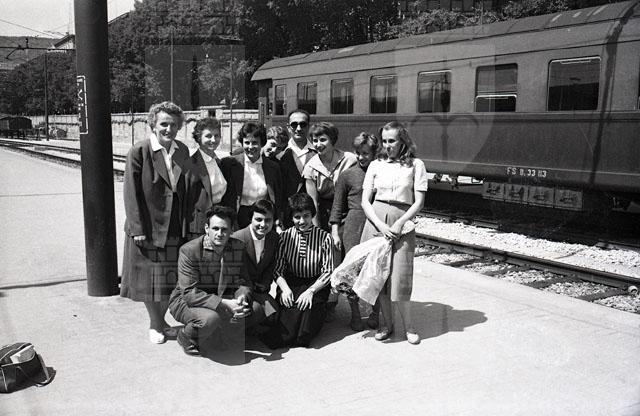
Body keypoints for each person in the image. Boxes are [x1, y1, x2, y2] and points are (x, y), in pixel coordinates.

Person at [120, 101, 190, 344]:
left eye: (174, 125)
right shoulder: (139, 151)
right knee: (150, 279)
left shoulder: (182, 150)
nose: (169, 129)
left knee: (169, 278)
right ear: (153, 125)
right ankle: (155, 323)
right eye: (164, 124)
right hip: (148, 226)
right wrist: (137, 228)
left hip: (173, 224)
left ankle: (162, 322)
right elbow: (131, 192)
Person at [360, 121, 428, 345]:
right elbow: (365, 201)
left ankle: (409, 327)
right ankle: (387, 325)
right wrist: (380, 225)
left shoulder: (416, 165)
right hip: (377, 221)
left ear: (403, 141)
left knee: (401, 278)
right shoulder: (375, 165)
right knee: (379, 278)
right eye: (384, 141)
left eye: (392, 141)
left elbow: (418, 202)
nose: (387, 145)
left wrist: (400, 223)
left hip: (403, 223)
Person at [169, 206, 261, 356]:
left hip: (223, 296)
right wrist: (224, 303)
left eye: (224, 229)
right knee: (210, 319)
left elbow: (243, 281)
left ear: (232, 230)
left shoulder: (238, 247)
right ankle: (186, 336)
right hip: (187, 300)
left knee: (255, 309)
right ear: (207, 228)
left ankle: (219, 334)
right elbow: (190, 294)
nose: (219, 233)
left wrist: (241, 298)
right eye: (215, 228)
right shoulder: (189, 250)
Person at [260, 193, 334, 348]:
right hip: (291, 282)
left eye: (306, 216)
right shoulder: (284, 237)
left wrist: (311, 291)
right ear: (292, 218)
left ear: (312, 215)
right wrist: (285, 289)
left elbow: (328, 271)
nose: (302, 221)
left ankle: (318, 313)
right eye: (297, 217)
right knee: (286, 322)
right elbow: (278, 269)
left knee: (305, 324)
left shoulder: (325, 237)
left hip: (316, 284)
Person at [328, 132, 381, 331]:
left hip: (376, 225)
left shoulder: (382, 172)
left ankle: (375, 313)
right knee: (353, 271)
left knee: (376, 270)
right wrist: (335, 232)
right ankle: (355, 314)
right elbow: (337, 207)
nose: (360, 157)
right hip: (353, 225)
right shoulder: (347, 175)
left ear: (374, 153)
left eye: (365, 153)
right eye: (358, 152)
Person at [220, 122, 283, 229]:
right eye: (247, 142)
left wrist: (277, 220)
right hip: (237, 218)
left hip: (262, 218)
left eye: (254, 143)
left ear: (262, 143)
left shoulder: (273, 167)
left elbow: (278, 197)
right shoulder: (229, 164)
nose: (250, 147)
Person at [231, 199, 280, 326]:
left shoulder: (274, 238)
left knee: (273, 312)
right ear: (251, 219)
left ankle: (254, 330)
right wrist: (244, 291)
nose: (263, 224)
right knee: (253, 310)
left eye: (268, 220)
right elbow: (232, 274)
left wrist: (265, 283)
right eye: (258, 219)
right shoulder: (237, 238)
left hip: (259, 289)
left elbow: (271, 265)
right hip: (239, 289)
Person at [303, 122, 357, 231]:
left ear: (332, 140)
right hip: (325, 214)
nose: (318, 144)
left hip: (348, 211)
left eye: (323, 140)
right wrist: (317, 230)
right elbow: (313, 202)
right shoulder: (310, 167)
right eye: (315, 141)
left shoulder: (349, 159)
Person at [185, 117, 230, 240]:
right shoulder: (191, 165)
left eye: (217, 136)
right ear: (199, 137)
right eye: (208, 136)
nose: (213, 140)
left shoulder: (218, 162)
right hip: (198, 226)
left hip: (218, 222)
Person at [279, 110, 315, 226]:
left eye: (303, 124)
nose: (298, 129)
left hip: (312, 216)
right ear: (288, 127)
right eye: (294, 125)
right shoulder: (279, 153)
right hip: (288, 216)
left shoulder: (317, 153)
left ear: (308, 126)